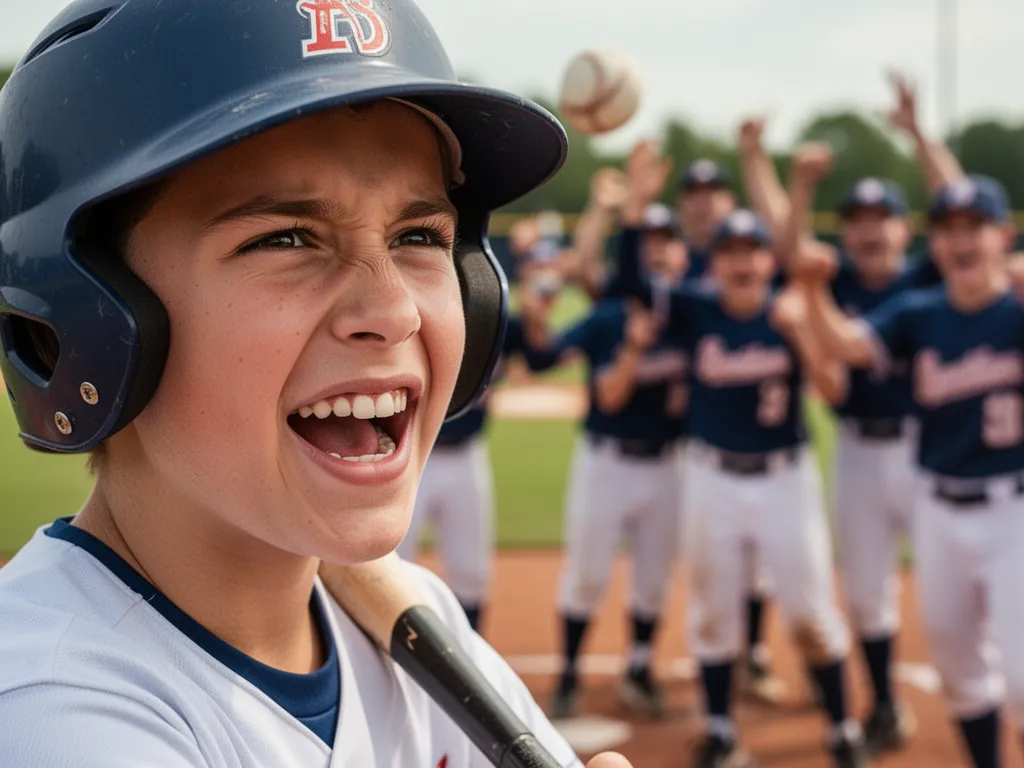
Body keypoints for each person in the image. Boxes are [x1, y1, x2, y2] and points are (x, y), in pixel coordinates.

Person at [0, 2, 635, 767]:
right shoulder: (45, 709)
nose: (393, 310)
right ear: (79, 322)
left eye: (419, 237)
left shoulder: (411, 621)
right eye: (286, 238)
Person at [617, 166, 867, 764]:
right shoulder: (696, 308)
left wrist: (803, 331)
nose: (742, 264)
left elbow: (835, 389)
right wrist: (634, 213)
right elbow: (631, 283)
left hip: (785, 476)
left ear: (768, 261)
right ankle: (722, 730)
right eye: (730, 252)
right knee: (712, 607)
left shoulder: (791, 310)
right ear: (717, 261)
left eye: (753, 252)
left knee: (809, 611)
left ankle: (843, 729)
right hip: (711, 476)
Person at [796, 174, 1024, 768]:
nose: (960, 240)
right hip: (940, 511)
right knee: (959, 671)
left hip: (1014, 513)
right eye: (947, 230)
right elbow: (847, 346)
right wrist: (816, 293)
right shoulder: (919, 312)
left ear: (1002, 236)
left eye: (973, 226)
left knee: (1023, 684)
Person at [520, 203, 691, 722]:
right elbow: (544, 359)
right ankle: (570, 673)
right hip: (607, 464)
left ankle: (639, 667)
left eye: (669, 238)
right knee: (588, 574)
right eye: (649, 238)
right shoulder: (609, 317)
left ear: (684, 253)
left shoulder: (692, 316)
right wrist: (535, 320)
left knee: (654, 579)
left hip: (668, 467)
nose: (658, 248)